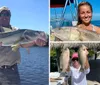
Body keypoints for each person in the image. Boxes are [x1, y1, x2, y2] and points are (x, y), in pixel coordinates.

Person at [0, 6, 46, 85]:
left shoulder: (16, 30)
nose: (5, 16)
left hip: (12, 71)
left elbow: (23, 45)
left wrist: (35, 42)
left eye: (7, 14)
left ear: (10, 17)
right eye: (2, 14)